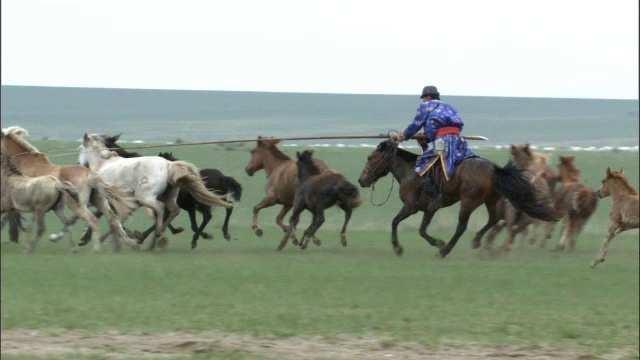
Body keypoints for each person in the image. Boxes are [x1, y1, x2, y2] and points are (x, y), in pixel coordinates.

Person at [390, 85, 478, 203]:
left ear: (428, 96)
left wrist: (400, 136)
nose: (423, 100)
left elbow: (416, 124)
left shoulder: (426, 105)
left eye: (423, 98)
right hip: (457, 140)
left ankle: (434, 192)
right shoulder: (450, 107)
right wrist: (425, 137)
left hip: (442, 141)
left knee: (422, 162)